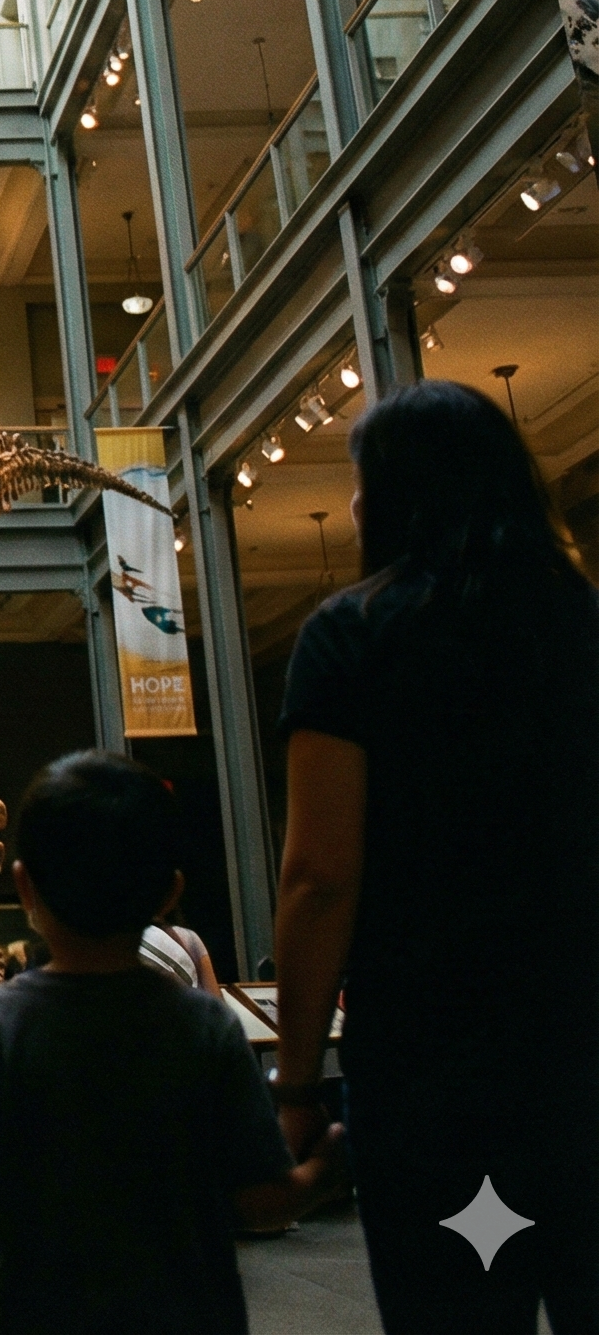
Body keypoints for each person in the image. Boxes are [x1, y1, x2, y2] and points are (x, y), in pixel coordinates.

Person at [271, 381, 599, 1333]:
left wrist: (296, 1084)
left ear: (401, 494)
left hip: (436, 1075)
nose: (359, 504)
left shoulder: (352, 636)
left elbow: (320, 875)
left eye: (363, 482)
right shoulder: (583, 625)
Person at [0, 752, 338, 1334]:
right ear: (170, 895)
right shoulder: (206, 1030)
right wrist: (326, 1170)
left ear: (23, 886)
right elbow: (258, 1200)